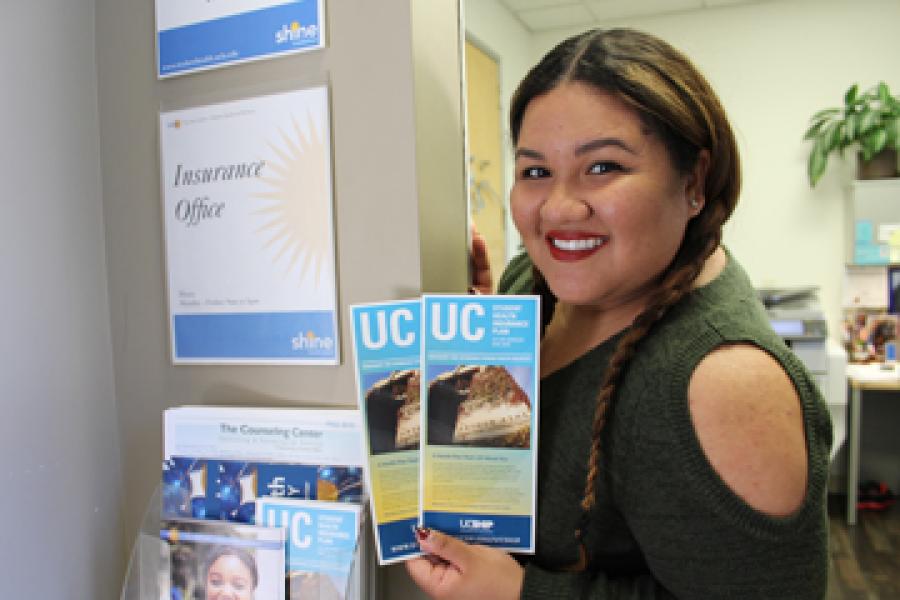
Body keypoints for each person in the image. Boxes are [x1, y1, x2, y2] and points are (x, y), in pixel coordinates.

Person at [406, 27, 832, 599]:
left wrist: (520, 594)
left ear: (695, 181)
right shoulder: (530, 285)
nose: (558, 208)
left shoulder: (723, 383)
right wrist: (482, 335)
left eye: (603, 167)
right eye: (535, 171)